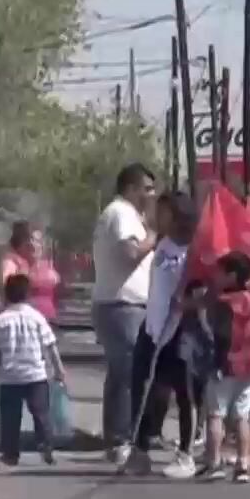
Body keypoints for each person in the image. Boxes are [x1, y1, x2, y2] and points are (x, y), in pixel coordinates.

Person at [121, 190, 198, 477]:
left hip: (180, 330)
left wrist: (186, 302)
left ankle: (186, 455)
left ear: (179, 214)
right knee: (143, 389)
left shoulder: (194, 252)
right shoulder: (162, 244)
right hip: (152, 327)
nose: (157, 215)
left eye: (163, 211)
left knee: (184, 393)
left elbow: (205, 292)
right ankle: (140, 452)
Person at [92, 163, 159, 464]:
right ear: (131, 189)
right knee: (128, 374)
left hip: (125, 306)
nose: (152, 194)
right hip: (121, 307)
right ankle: (120, 439)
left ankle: (122, 437)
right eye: (146, 188)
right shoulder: (121, 213)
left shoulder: (129, 215)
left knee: (124, 375)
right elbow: (130, 253)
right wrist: (154, 236)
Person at [0, 272, 66, 469]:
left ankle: (10, 454)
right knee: (41, 413)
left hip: (10, 376)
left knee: (10, 418)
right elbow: (50, 345)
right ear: (29, 295)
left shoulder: (1, 320)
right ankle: (46, 446)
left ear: (6, 295)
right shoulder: (37, 318)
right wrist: (59, 369)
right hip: (35, 375)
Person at [205, 251, 250, 483]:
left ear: (231, 275)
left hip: (225, 364)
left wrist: (216, 363)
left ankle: (214, 462)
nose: (215, 276)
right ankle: (242, 463)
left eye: (220, 272)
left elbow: (218, 336)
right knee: (242, 415)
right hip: (248, 365)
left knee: (215, 415)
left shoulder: (222, 303)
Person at [2, 221, 61, 324]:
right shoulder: (13, 262)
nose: (35, 245)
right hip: (24, 319)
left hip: (49, 318)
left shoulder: (46, 265)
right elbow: (8, 282)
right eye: (32, 240)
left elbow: (56, 282)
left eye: (40, 241)